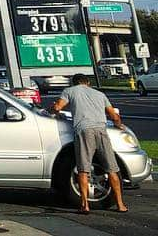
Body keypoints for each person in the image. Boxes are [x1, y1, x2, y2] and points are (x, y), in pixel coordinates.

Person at [51, 73, 129, 214]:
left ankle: (85, 205)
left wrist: (53, 112)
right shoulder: (100, 94)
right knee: (112, 168)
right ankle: (120, 204)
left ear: (74, 83)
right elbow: (114, 115)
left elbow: (57, 107)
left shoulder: (69, 91)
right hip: (101, 130)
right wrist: (119, 125)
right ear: (87, 82)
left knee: (83, 168)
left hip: (84, 131)